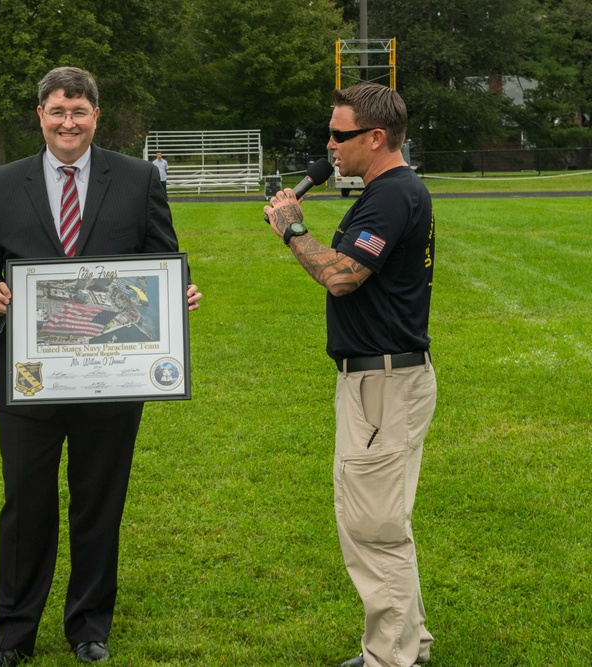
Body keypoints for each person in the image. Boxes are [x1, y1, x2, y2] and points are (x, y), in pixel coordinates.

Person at [0, 66, 201, 667]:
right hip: (29, 376)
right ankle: (12, 635)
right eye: (57, 111)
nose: (68, 122)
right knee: (26, 505)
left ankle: (88, 627)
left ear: (96, 115)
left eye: (80, 111)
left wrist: (179, 292)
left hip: (112, 376)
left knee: (100, 501)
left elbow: (161, 255)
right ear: (39, 115)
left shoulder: (139, 177)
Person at [263, 82, 436, 667]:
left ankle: (391, 658)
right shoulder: (385, 193)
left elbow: (341, 276)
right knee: (380, 518)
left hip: (383, 384)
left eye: (340, 136)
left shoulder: (391, 195)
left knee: (374, 526)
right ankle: (409, 644)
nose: (330, 147)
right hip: (381, 379)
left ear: (376, 137)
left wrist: (291, 227)